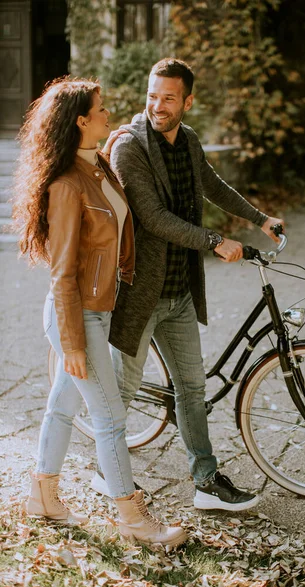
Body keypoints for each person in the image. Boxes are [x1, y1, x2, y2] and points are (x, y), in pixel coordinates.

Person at [94, 58, 285, 511]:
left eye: (168, 98)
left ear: (187, 101)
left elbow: (212, 185)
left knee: (192, 389)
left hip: (179, 291)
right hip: (141, 291)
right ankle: (108, 470)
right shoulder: (129, 148)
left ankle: (205, 481)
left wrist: (260, 219)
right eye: (152, 95)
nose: (157, 106)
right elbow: (154, 219)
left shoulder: (189, 140)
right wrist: (216, 241)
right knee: (121, 388)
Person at [12, 77, 186, 548]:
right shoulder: (68, 185)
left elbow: (119, 231)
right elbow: (63, 272)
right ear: (81, 120)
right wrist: (71, 343)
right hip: (77, 316)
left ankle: (42, 496)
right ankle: (132, 518)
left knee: (62, 408)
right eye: (101, 109)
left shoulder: (97, 167)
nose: (110, 113)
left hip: (97, 312)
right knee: (110, 419)